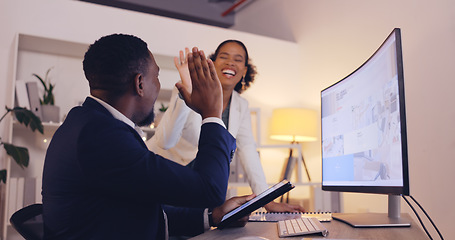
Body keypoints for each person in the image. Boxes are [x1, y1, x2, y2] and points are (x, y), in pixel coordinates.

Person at [41, 34, 254, 240]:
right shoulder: (102, 137)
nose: (158, 85)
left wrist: (212, 217)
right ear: (140, 83)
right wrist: (211, 114)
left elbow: (139, 211)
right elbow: (210, 190)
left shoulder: (90, 123)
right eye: (157, 76)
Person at [147, 40, 305, 213]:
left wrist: (266, 201)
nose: (230, 62)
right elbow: (166, 141)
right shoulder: (188, 88)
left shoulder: (241, 105)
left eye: (238, 59)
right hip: (159, 174)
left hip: (196, 183)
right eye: (224, 57)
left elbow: (248, 150)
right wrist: (188, 90)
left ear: (244, 70)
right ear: (212, 64)